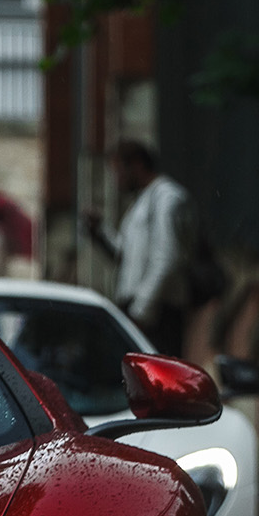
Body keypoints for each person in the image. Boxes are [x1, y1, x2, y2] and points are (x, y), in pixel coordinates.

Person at [83, 140, 195, 356]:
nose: (116, 181)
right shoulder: (142, 201)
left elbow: (167, 258)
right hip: (142, 311)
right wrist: (100, 232)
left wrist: (141, 311)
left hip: (158, 314)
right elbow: (126, 257)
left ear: (136, 165)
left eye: (118, 172)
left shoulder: (166, 197)